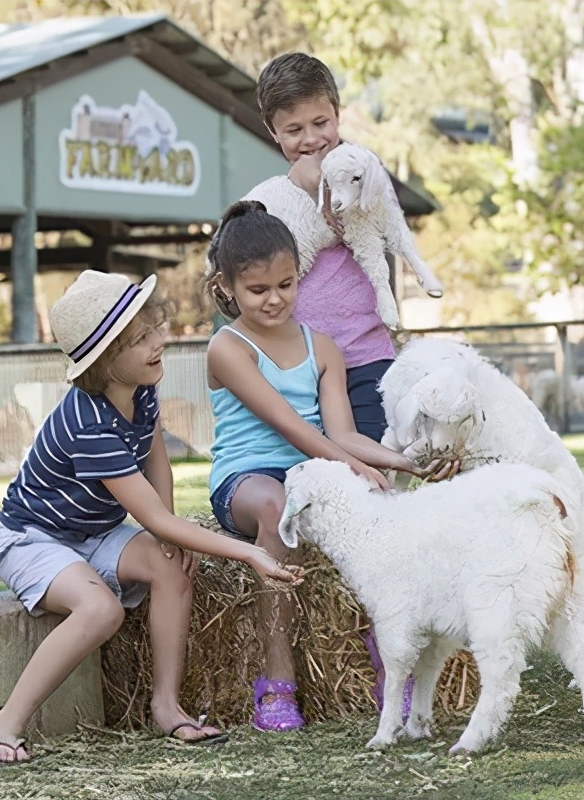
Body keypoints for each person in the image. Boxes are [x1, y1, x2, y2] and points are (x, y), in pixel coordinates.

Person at [0, 270, 301, 765]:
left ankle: (166, 706)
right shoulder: (88, 424)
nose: (158, 344)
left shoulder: (141, 390)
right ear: (105, 362)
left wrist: (167, 533)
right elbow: (145, 511)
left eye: (154, 331)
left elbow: (156, 461)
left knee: (171, 566)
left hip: (95, 531)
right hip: (33, 539)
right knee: (101, 609)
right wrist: (249, 551)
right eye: (139, 341)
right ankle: (5, 723)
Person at [204, 201, 453, 732]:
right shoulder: (227, 348)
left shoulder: (323, 347)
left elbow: (342, 435)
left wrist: (404, 462)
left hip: (314, 473)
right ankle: (277, 677)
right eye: (258, 290)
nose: (275, 299)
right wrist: (350, 468)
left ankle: (390, 654)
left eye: (287, 284)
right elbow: (292, 428)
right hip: (249, 480)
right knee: (277, 509)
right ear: (226, 287)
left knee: (386, 509)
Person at [245, 51, 400, 443]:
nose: (311, 139)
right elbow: (247, 276)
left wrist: (333, 194)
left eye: (320, 123)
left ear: (337, 114)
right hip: (298, 366)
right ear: (272, 131)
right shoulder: (268, 202)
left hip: (367, 355)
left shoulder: (363, 174)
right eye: (294, 130)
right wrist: (303, 190)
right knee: (314, 468)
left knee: (373, 462)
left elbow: (386, 233)